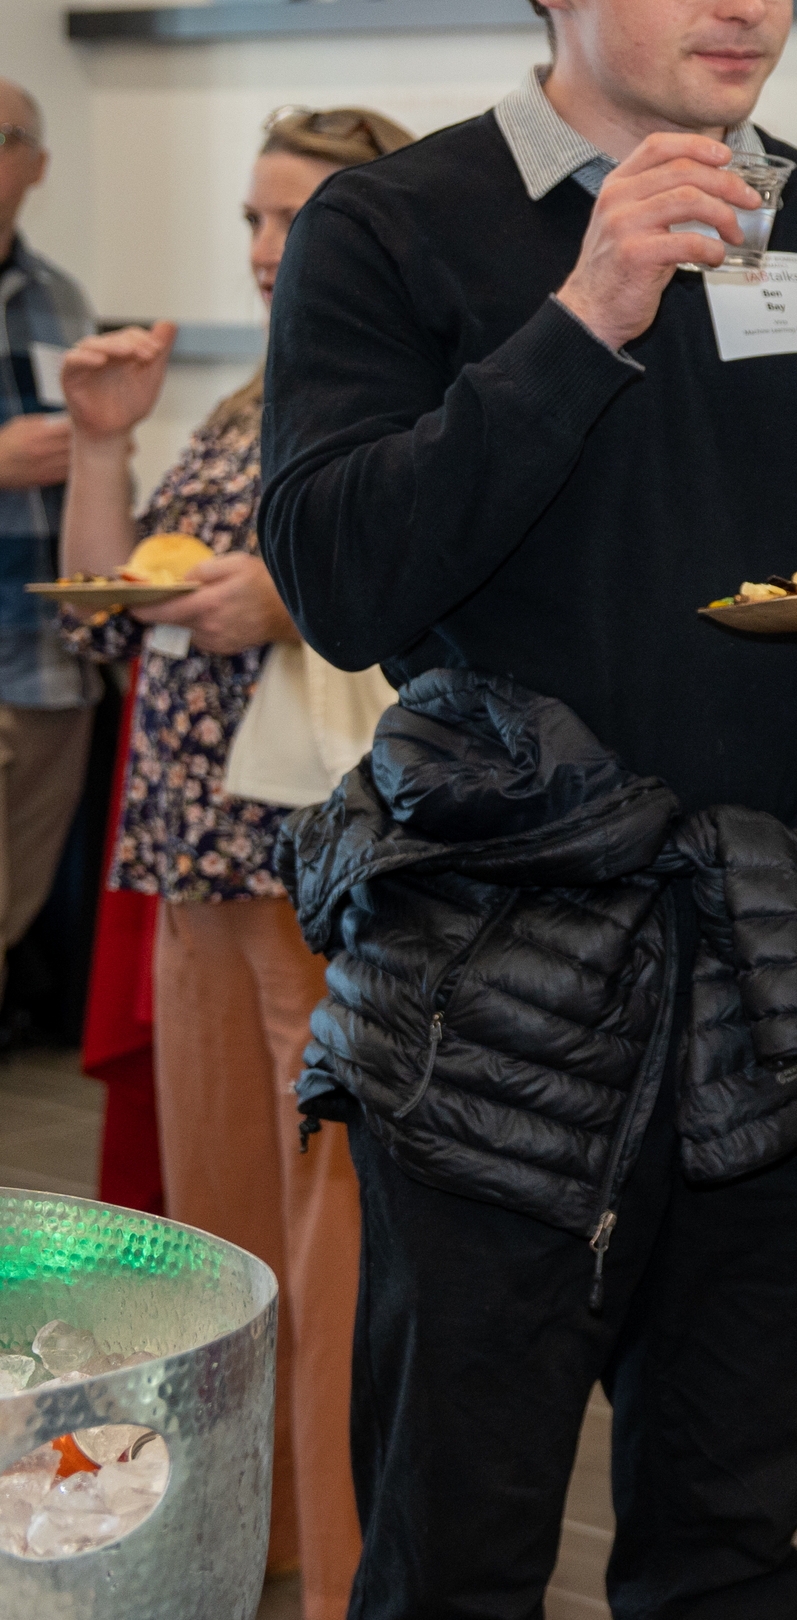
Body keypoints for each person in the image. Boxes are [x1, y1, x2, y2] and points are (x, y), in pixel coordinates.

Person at [257, 0, 797, 1617]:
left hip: (784, 967)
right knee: (455, 1552)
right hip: (496, 985)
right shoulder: (397, 230)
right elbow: (343, 578)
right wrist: (582, 312)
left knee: (731, 1549)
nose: (744, 0)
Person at [56, 104, 411, 1620]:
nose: (269, 254)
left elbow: (436, 609)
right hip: (190, 859)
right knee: (218, 1241)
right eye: (257, 225)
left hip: (313, 866)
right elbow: (100, 599)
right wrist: (99, 438)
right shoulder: (248, 399)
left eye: (300, 224)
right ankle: (239, 1535)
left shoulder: (411, 393)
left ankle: (346, 1565)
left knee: (337, 1249)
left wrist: (294, 598)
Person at [0, 79, 96, 1006]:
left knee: (14, 909)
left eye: (2, 140)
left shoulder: (61, 300)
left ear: (37, 165)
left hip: (44, 665)